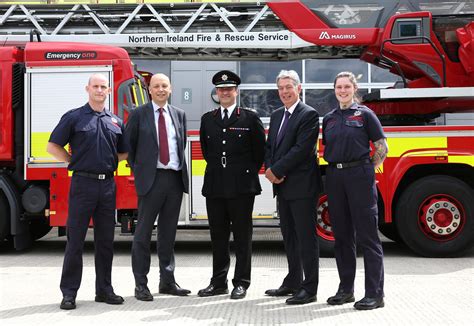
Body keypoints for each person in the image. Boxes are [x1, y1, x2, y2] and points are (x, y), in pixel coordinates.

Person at [47, 73, 127, 310]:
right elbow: (52, 146)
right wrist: (73, 161)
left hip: (108, 186)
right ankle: (69, 293)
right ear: (87, 89)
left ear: (109, 91)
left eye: (104, 87)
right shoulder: (74, 117)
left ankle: (104, 290)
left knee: (105, 241)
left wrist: (112, 161)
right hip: (83, 185)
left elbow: (124, 152)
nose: (100, 90)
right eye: (96, 86)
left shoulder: (116, 121)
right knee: (76, 241)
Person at [197, 70, 265, 300]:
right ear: (216, 92)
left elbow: (259, 154)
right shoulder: (208, 119)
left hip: (241, 186)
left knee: (242, 236)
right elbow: (208, 153)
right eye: (221, 89)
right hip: (215, 185)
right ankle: (218, 282)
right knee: (218, 236)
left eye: (229, 89)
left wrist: (242, 172)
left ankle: (241, 282)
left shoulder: (249, 118)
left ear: (236, 91)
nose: (225, 92)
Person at [323, 71, 388, 310]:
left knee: (368, 237)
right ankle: (345, 290)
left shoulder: (365, 115)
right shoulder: (328, 118)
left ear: (354, 88)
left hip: (359, 175)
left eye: (346, 87)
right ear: (334, 89)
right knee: (341, 237)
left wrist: (366, 171)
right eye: (339, 87)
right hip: (335, 176)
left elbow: (382, 147)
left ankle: (375, 294)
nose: (342, 90)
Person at [126, 73, 190, 301]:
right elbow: (129, 149)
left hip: (173, 180)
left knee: (168, 234)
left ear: (170, 89)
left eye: (164, 86)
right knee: (142, 235)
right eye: (156, 86)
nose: (161, 89)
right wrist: (141, 172)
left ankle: (167, 281)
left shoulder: (179, 115)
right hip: (150, 181)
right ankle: (140, 285)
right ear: (149, 90)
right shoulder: (138, 115)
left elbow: (179, 147)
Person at [264, 70, 321, 305]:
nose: (285, 92)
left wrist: (276, 170)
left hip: (302, 187)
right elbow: (270, 148)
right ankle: (293, 281)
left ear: (298, 88)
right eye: (281, 88)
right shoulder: (277, 115)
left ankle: (310, 288)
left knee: (306, 238)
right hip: (283, 187)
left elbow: (302, 149)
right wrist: (270, 168)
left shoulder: (308, 114)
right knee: (289, 236)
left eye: (289, 87)